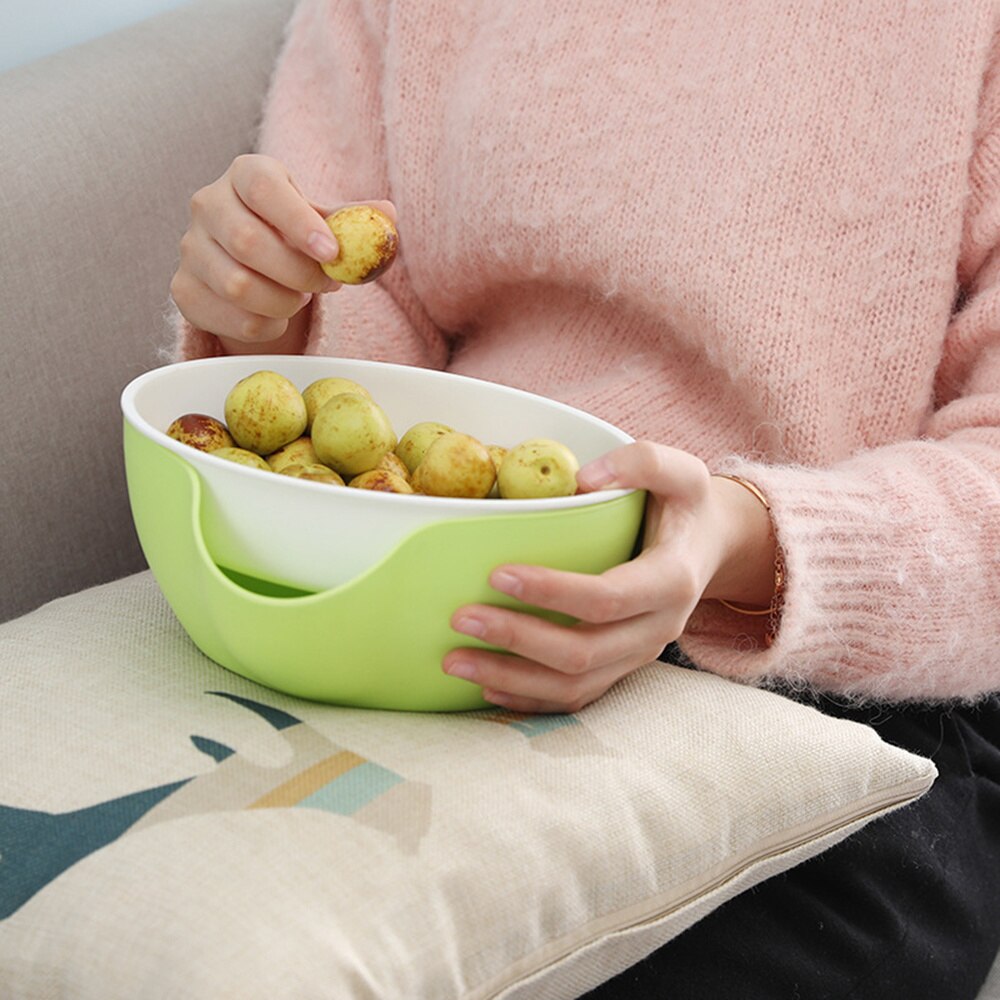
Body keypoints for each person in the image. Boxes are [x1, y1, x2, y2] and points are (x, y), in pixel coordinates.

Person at [169, 2, 1000, 996]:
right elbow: (366, 312)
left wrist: (738, 541)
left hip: (839, 682)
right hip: (444, 602)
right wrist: (271, 316)